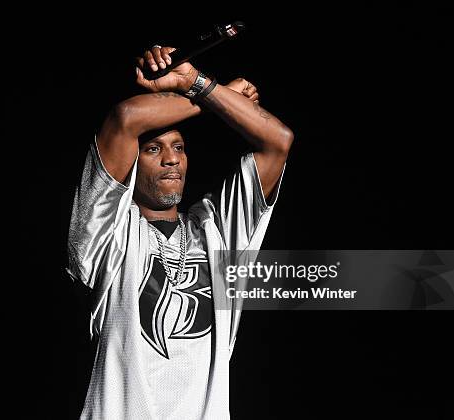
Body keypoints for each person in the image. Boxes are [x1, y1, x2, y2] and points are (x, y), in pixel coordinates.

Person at [67, 45, 294, 419]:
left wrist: (195, 82)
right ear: (130, 162)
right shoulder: (106, 236)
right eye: (153, 148)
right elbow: (125, 118)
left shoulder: (218, 232)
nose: (171, 158)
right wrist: (219, 95)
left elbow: (277, 142)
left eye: (179, 147)